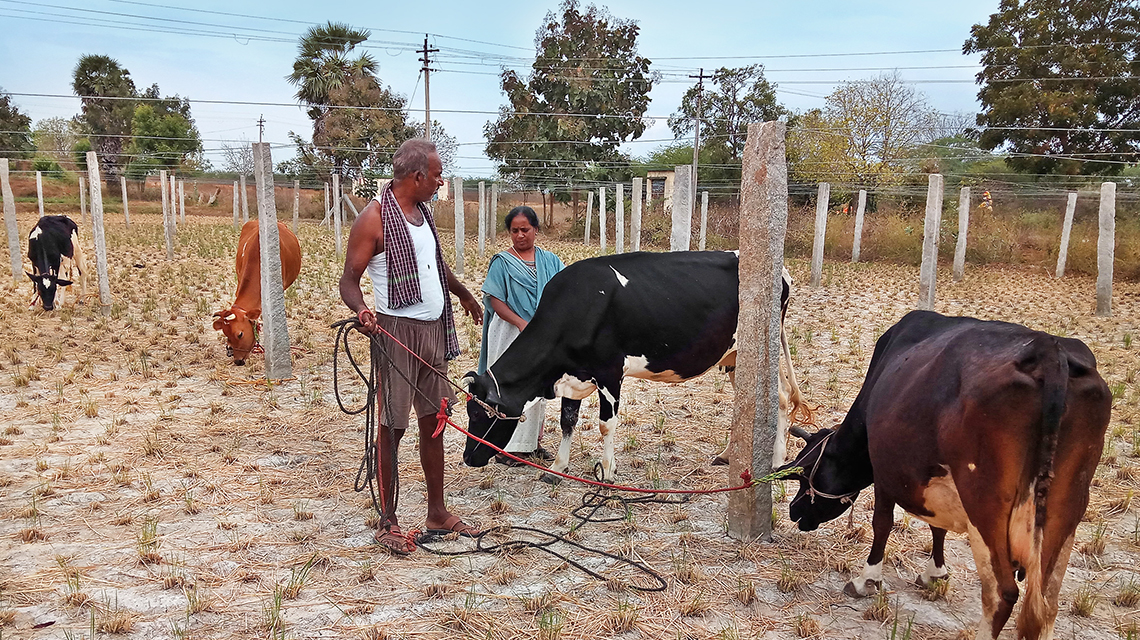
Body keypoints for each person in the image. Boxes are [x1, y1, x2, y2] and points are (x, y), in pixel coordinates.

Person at [339, 138, 483, 554]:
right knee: (392, 426)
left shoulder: (422, 214)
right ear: (418, 176)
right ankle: (388, 519)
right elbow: (349, 280)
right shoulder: (374, 219)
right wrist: (364, 311)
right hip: (397, 333)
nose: (440, 182)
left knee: (435, 420)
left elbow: (434, 264)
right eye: (437, 175)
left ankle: (436, 512)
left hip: (432, 331)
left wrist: (460, 292)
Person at [479, 206, 565, 466]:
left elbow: (563, 291)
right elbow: (496, 300)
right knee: (508, 390)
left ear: (536, 230)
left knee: (537, 388)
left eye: (525, 229)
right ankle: (507, 449)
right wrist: (521, 323)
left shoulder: (550, 261)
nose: (519, 235)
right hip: (509, 333)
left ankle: (531, 445)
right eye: (514, 230)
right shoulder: (502, 262)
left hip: (540, 335)